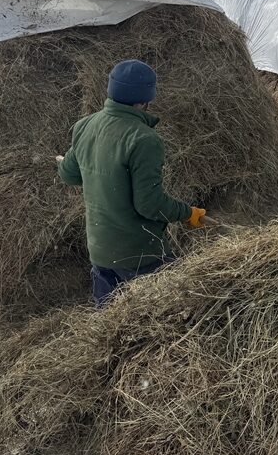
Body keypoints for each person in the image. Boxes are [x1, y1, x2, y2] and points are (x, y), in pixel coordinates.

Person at [57, 59, 208, 305]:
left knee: (107, 326)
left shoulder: (86, 126)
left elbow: (69, 174)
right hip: (140, 254)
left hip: (101, 252)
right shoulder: (144, 139)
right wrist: (188, 213)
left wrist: (64, 162)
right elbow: (149, 204)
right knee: (170, 317)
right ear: (146, 97)